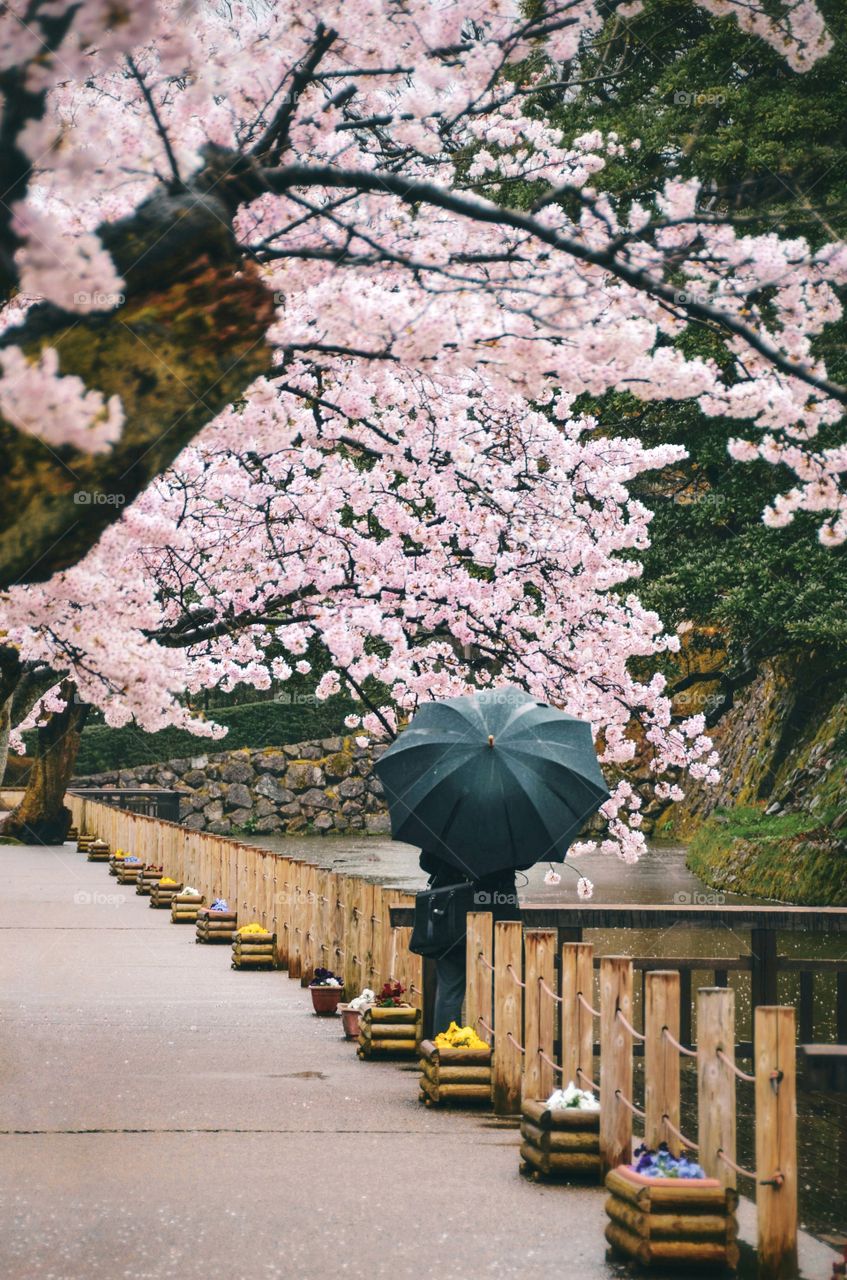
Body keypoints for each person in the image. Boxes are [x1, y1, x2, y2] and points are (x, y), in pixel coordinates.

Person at [419, 848, 522, 1033]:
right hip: (498, 912)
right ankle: (496, 1051)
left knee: (449, 989)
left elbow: (427, 863)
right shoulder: (505, 826)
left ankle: (446, 1051)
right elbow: (524, 861)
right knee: (498, 986)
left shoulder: (447, 822)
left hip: (452, 913)